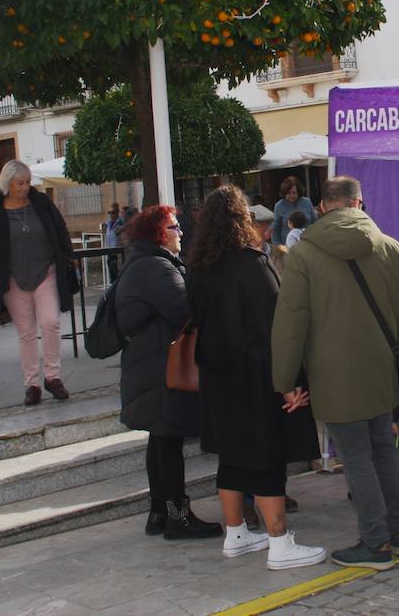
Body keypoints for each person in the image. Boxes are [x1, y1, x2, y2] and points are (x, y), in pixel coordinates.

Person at [272, 175, 399, 571]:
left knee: (357, 458)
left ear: (322, 206)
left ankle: (376, 543)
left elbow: (291, 323)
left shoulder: (304, 254)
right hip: (383, 368)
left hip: (334, 373)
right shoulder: (391, 248)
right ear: (359, 203)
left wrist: (285, 381)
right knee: (385, 451)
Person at [189, 187, 324, 569]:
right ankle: (279, 543)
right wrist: (292, 380)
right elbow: (275, 327)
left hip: (218, 375)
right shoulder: (251, 263)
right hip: (256, 374)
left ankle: (235, 534)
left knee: (232, 456)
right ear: (241, 219)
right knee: (267, 457)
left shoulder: (197, 267)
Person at [115, 204, 222, 543]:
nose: (181, 233)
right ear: (159, 234)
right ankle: (178, 517)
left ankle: (159, 512)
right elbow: (184, 308)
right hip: (158, 367)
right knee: (169, 440)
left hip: (150, 365)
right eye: (175, 228)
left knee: (161, 440)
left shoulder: (146, 263)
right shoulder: (156, 268)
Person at [0, 159, 76, 406]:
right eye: (21, 183)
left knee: (50, 323)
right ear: (8, 183)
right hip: (12, 277)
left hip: (46, 271)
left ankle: (53, 376)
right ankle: (32, 384)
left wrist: (68, 256)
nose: (26, 187)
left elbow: (60, 229)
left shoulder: (41, 202)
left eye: (28, 182)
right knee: (26, 333)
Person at [271, 177, 315, 249]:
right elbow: (275, 230)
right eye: (288, 193)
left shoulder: (307, 202)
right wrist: (279, 246)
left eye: (294, 193)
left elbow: (315, 223)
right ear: (284, 193)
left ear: (298, 192)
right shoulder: (279, 206)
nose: (291, 196)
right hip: (288, 248)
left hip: (308, 245)